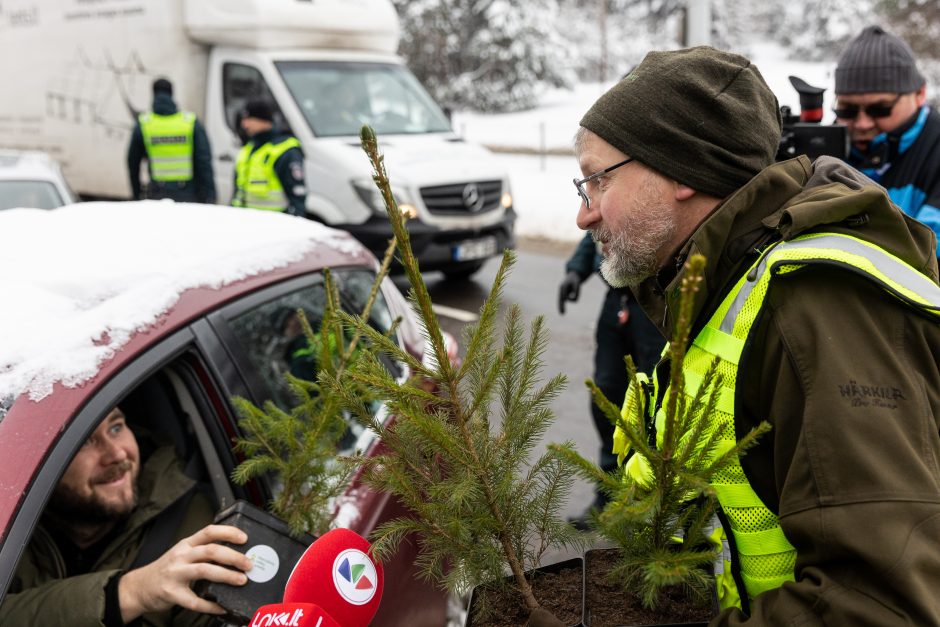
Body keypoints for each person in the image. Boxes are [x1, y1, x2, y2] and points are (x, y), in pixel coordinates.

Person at [574, 46, 940, 623]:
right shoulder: (718, 286)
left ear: (680, 173)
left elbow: (882, 603)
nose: (584, 214)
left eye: (597, 179)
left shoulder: (816, 308)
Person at [0, 406, 252, 626]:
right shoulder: (8, 531)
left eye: (116, 427)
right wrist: (131, 592)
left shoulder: (197, 528)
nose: (117, 454)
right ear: (37, 463)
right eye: (84, 441)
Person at [558, 232, 663, 519]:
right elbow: (598, 228)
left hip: (655, 302)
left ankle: (647, 507)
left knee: (650, 405)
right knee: (606, 395)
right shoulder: (600, 193)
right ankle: (609, 494)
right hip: (617, 301)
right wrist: (577, 271)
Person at [834, 25, 940, 257]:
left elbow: (929, 251)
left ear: (919, 94)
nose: (862, 124)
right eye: (847, 110)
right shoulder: (827, 146)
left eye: (881, 109)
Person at [127, 78, 216, 204]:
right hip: (187, 194)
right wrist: (209, 195)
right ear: (172, 94)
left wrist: (137, 194)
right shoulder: (189, 122)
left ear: (153, 93)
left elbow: (132, 162)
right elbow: (204, 161)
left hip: (157, 193)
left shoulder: (144, 124)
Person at [233, 99, 307, 217]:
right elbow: (237, 193)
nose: (244, 125)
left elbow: (297, 198)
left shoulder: (285, 150)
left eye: (248, 119)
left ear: (263, 120)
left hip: (273, 227)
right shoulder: (247, 149)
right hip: (244, 223)